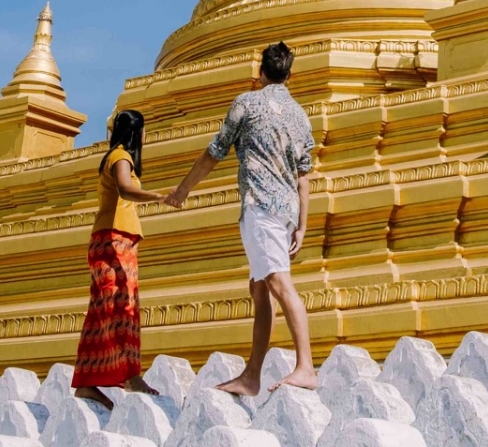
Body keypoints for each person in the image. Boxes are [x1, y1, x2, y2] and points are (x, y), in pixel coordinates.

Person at [168, 41, 316, 393]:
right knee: (259, 286)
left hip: (262, 206)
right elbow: (304, 177)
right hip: (286, 211)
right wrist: (303, 226)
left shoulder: (247, 104)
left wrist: (183, 189)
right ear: (290, 75)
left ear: (259, 72)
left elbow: (214, 152)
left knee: (278, 283)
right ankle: (252, 375)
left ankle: (306, 366)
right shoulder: (300, 115)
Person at [72, 108, 168, 409]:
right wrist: (160, 196)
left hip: (112, 242)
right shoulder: (121, 157)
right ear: (137, 132)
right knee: (122, 310)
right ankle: (130, 376)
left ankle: (89, 382)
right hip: (113, 243)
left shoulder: (117, 156)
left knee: (105, 312)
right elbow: (126, 190)